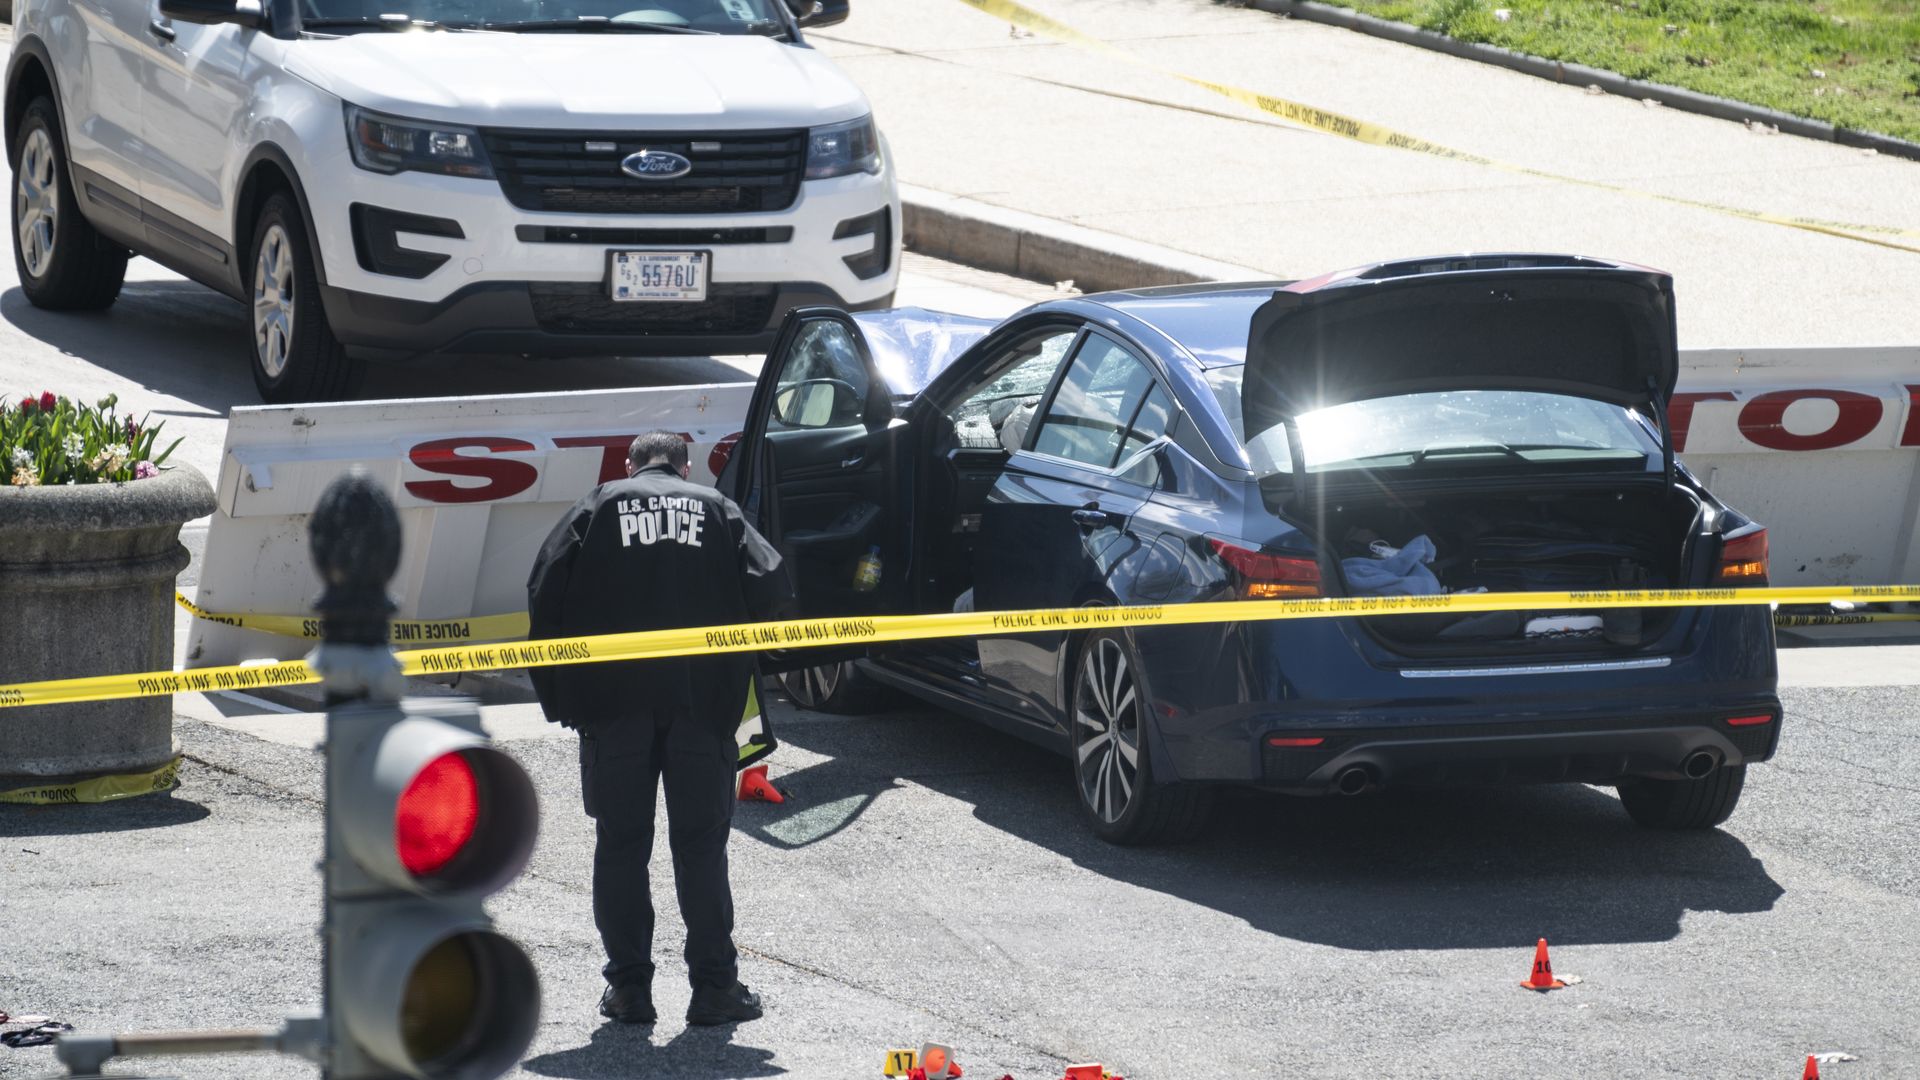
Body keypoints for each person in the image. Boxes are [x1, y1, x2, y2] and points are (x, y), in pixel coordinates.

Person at [526, 430, 792, 1027]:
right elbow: (774, 590)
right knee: (701, 847)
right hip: (702, 705)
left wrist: (563, 696)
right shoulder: (717, 508)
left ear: (631, 465)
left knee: (621, 845)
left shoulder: (598, 504)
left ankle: (629, 991)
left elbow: (543, 592)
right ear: (685, 466)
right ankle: (715, 990)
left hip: (613, 707)